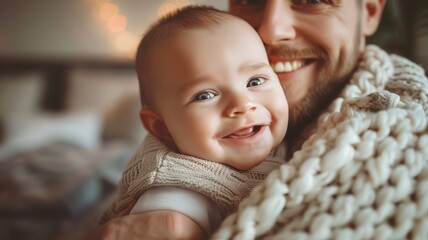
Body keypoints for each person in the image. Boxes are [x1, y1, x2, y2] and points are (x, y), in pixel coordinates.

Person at [89, 0, 428, 239]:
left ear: (369, 11)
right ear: (161, 128)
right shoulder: (177, 193)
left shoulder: (401, 133)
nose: (271, 30)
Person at [91, 5, 289, 239]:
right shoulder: (177, 195)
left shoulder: (302, 134)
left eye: (255, 81)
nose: (242, 104)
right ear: (161, 128)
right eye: (204, 95)